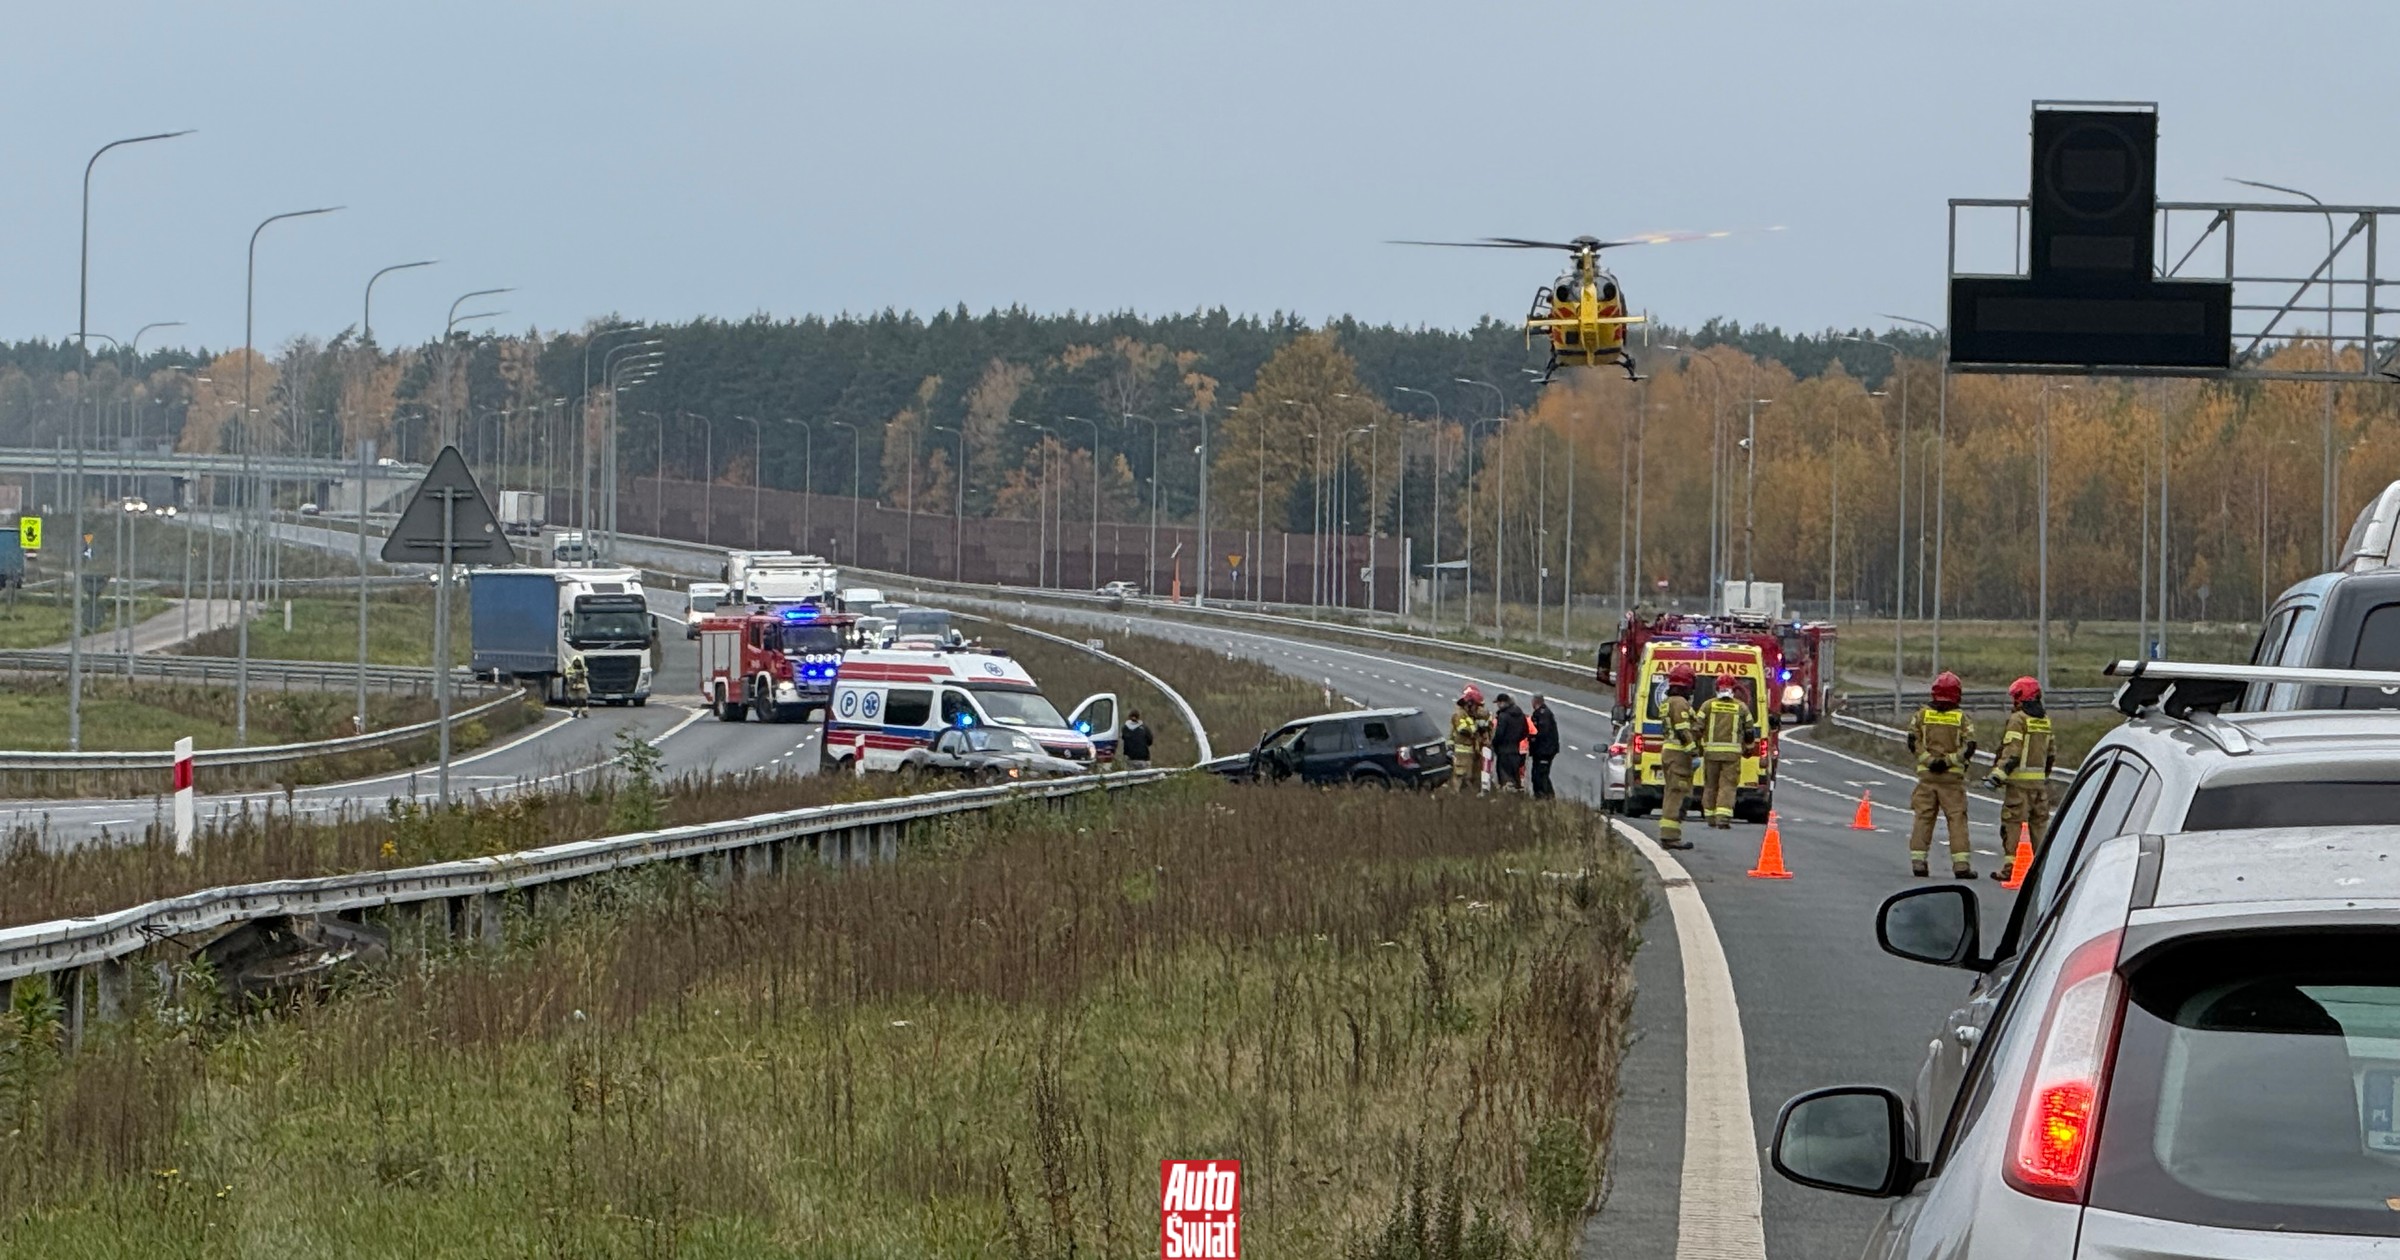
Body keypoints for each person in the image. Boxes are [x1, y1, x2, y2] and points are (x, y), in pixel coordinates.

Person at [1908, 670, 1979, 878]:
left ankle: (1918, 863)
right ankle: (1961, 866)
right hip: (1952, 780)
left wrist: (1929, 761)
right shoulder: (1962, 718)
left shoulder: (1921, 715)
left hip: (1927, 777)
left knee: (1923, 818)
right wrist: (1949, 761)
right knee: (1956, 820)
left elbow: (1913, 742)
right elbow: (1970, 746)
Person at [1986, 676, 2055, 882]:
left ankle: (2009, 868)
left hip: (2018, 785)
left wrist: (1996, 776)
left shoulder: (2018, 720)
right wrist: (2042, 777)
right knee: (2040, 826)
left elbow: (2012, 752)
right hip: (2038, 785)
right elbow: (2051, 755)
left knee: (2012, 824)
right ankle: (2045, 870)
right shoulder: (2044, 720)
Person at [1697, 675, 1757, 829]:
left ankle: (1710, 817)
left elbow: (1697, 729)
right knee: (1727, 786)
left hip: (1710, 754)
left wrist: (1697, 748)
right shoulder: (1741, 707)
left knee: (1710, 785)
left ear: (1716, 688)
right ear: (1733, 689)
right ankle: (1723, 819)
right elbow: (1750, 731)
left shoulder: (1707, 706)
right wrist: (1749, 749)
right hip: (1732, 755)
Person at [1656, 664, 1699, 848]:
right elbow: (1683, 730)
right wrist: (1693, 750)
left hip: (1671, 753)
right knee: (1677, 794)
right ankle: (1671, 837)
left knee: (1674, 793)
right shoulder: (1680, 703)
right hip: (1679, 754)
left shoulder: (1668, 703)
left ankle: (1670, 834)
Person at [1448, 686, 1491, 794]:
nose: (1477, 709)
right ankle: (1456, 797)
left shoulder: (1471, 715)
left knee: (1473, 776)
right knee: (1461, 775)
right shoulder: (1459, 714)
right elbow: (1463, 729)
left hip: (1472, 750)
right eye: (1476, 706)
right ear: (1469, 704)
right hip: (1462, 751)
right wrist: (1476, 729)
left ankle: (1471, 797)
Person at [1491, 694, 1528, 791]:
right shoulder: (1520, 714)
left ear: (1503, 703)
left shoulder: (1503, 716)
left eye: (1498, 703)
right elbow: (1525, 731)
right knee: (1515, 778)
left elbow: (1499, 734)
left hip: (1504, 752)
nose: (1498, 705)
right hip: (1515, 750)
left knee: (1505, 779)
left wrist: (1494, 744)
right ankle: (1516, 797)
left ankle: (1505, 799)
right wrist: (1516, 740)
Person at [1527, 694, 1559, 799]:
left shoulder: (1542, 714)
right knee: (1539, 774)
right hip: (1542, 750)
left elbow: (1541, 732)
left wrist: (1531, 736)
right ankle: (1544, 796)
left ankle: (1544, 796)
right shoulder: (1541, 713)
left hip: (1544, 750)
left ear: (1535, 702)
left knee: (1540, 775)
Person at [563, 651, 591, 719]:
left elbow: (586, 674)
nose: (577, 663)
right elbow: (568, 675)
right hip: (572, 688)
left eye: (578, 661)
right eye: (576, 661)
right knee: (573, 701)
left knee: (583, 700)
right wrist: (572, 675)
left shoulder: (583, 668)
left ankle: (585, 712)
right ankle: (575, 712)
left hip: (581, 688)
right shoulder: (570, 668)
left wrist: (582, 673)